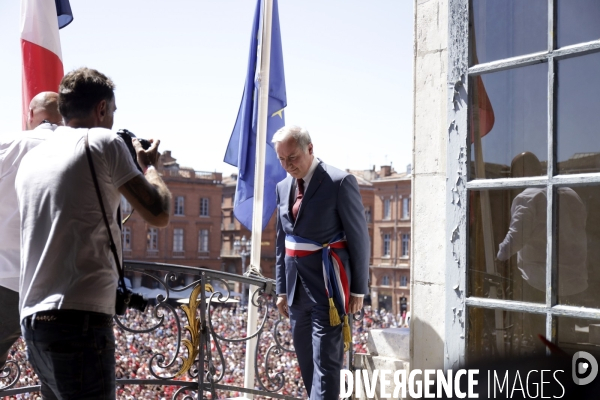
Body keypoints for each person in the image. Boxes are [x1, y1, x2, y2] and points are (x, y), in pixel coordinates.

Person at [15, 67, 171, 399]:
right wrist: (150, 166)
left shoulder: (33, 157)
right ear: (101, 108)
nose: (112, 120)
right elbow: (158, 213)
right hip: (79, 320)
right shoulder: (102, 140)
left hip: (33, 320)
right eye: (112, 112)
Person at [272, 125, 370, 400]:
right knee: (308, 368)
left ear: (310, 149)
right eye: (281, 159)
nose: (287, 165)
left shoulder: (339, 182)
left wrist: (358, 289)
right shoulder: (282, 187)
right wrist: (281, 290)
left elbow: (359, 238)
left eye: (292, 157)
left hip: (329, 290)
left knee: (326, 368)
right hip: (295, 293)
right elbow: (282, 243)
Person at [0, 92, 63, 371]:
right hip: (59, 288)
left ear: (30, 114)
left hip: (7, 279)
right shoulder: (80, 150)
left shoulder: (10, 145)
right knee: (57, 375)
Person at [497, 151, 587, 297]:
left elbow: (516, 237)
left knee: (537, 319)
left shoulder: (528, 197)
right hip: (575, 282)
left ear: (521, 172)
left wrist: (499, 258)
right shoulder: (571, 193)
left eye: (514, 174)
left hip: (540, 283)